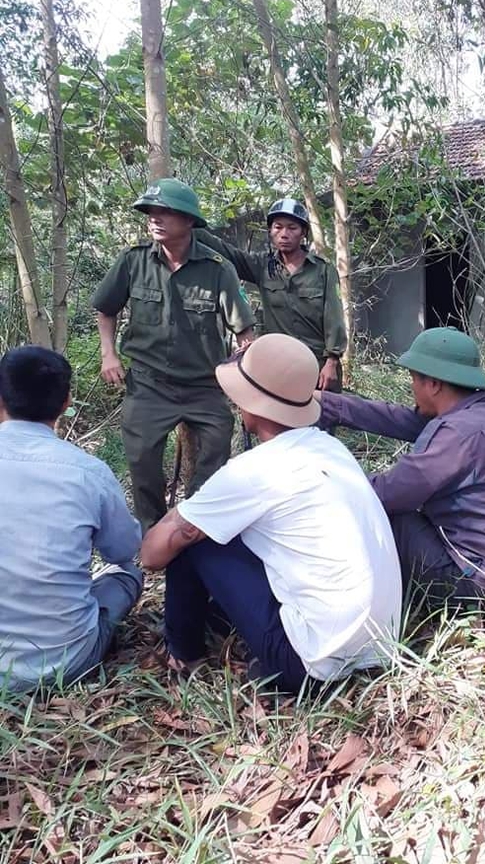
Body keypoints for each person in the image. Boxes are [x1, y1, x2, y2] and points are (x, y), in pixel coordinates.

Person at [140, 333, 401, 691]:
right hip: (381, 646)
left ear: (250, 404)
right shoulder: (332, 449)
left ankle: (184, 655)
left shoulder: (252, 471)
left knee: (194, 542)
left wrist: (180, 521)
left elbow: (153, 555)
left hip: (311, 666)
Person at [317, 327, 485, 604]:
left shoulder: (457, 435)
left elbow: (389, 495)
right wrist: (330, 406)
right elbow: (399, 419)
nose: (411, 387)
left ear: (433, 384)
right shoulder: (478, 414)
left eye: (413, 379)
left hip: (473, 583)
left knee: (388, 517)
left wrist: (327, 479)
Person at [92, 178, 255, 532]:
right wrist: (109, 354)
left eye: (165, 212)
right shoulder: (133, 261)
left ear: (189, 221)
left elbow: (244, 332)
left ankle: (192, 524)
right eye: (151, 212)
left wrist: (248, 382)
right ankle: (153, 530)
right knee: (142, 459)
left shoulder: (218, 269)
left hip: (205, 384)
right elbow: (105, 309)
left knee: (218, 445)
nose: (155, 218)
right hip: (149, 383)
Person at [0, 346, 142, 693]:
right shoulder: (87, 472)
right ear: (66, 402)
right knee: (127, 574)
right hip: (66, 661)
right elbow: (123, 550)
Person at [198, 198, 347, 391]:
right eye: (278, 227)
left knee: (321, 418)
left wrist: (332, 362)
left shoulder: (323, 270)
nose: (284, 234)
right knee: (279, 417)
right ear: (270, 231)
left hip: (318, 364)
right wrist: (189, 224)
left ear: (303, 232)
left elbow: (334, 318)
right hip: (279, 364)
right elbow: (228, 253)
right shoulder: (262, 266)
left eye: (292, 228)